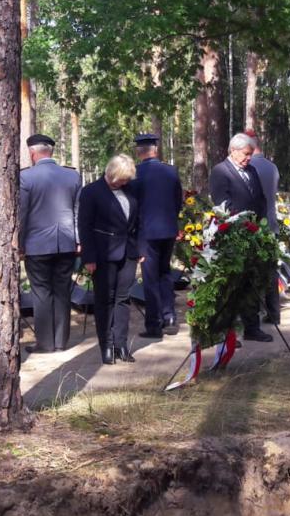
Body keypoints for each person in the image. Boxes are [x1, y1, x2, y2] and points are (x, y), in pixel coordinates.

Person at [18, 133, 82, 354]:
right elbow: (77, 212)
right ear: (51, 152)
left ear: (32, 153)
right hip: (66, 243)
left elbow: (22, 214)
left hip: (36, 245)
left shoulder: (25, 177)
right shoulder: (72, 176)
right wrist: (78, 240)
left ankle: (45, 343)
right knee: (62, 291)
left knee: (41, 292)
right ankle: (60, 341)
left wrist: (19, 242)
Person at [209, 133, 273, 342]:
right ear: (233, 151)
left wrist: (259, 225)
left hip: (253, 235)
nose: (248, 159)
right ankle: (227, 332)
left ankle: (251, 327)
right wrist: (241, 224)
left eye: (250, 155)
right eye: (246, 154)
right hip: (233, 237)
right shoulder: (220, 172)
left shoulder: (251, 170)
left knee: (250, 283)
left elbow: (260, 199)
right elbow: (223, 204)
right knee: (232, 286)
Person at [79, 155, 141, 365]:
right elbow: (84, 226)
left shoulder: (131, 190)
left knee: (123, 299)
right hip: (103, 254)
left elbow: (137, 221)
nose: (125, 182)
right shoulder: (91, 192)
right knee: (105, 299)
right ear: (112, 173)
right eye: (122, 179)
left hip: (128, 252)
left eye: (127, 179)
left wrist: (139, 248)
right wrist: (88, 257)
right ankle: (106, 345)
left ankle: (121, 344)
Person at [130, 133, 183, 339]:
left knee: (150, 278)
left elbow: (132, 206)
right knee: (165, 273)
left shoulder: (135, 174)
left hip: (146, 232)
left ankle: (154, 324)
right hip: (168, 229)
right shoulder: (170, 171)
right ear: (156, 150)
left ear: (138, 152)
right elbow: (178, 200)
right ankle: (169, 316)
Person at [248, 132, 281, 327]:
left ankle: (255, 311)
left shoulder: (250, 167)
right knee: (270, 271)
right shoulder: (272, 167)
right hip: (271, 224)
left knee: (253, 271)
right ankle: (274, 312)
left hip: (255, 225)